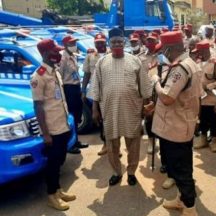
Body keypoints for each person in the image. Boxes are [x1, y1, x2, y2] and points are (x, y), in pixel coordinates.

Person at [151, 31, 202, 216]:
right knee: (178, 166)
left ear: (170, 49)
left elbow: (167, 98)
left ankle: (190, 213)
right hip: (178, 125)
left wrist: (155, 80)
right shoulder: (189, 63)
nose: (163, 53)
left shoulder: (180, 69)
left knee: (181, 171)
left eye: (164, 50)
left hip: (176, 128)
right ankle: (182, 199)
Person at [91, 28, 152, 186]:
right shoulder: (101, 62)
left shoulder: (134, 60)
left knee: (133, 143)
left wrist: (147, 107)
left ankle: (131, 172)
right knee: (112, 144)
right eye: (114, 42)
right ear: (109, 44)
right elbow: (96, 88)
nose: (117, 44)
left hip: (132, 110)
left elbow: (144, 86)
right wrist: (94, 109)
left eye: (119, 41)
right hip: (110, 111)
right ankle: (117, 172)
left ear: (124, 42)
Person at [30, 39, 76, 211]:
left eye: (58, 51)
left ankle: (57, 190)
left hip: (62, 124)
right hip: (52, 129)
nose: (57, 54)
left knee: (60, 160)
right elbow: (38, 106)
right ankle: (51, 196)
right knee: (53, 162)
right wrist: (46, 134)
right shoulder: (39, 76)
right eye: (53, 52)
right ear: (45, 54)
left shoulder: (55, 71)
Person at [60, 35, 88, 154]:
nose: (74, 45)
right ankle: (69, 144)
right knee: (70, 117)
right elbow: (60, 77)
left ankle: (75, 141)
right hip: (68, 88)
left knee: (77, 116)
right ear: (65, 45)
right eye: (71, 44)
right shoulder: (62, 57)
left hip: (76, 87)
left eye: (74, 43)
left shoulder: (73, 56)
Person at [82, 33, 109, 156]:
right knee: (101, 119)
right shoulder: (90, 57)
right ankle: (105, 144)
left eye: (102, 42)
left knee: (113, 118)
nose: (100, 44)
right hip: (96, 92)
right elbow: (87, 74)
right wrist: (83, 90)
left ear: (105, 42)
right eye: (98, 42)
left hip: (110, 91)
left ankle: (115, 147)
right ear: (95, 44)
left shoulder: (112, 54)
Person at [193, 40, 216, 153]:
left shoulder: (215, 63)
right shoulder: (197, 62)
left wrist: (209, 86)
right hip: (200, 98)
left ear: (205, 50)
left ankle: (214, 139)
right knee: (202, 119)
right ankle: (203, 138)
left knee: (213, 120)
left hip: (212, 98)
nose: (198, 54)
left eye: (200, 51)